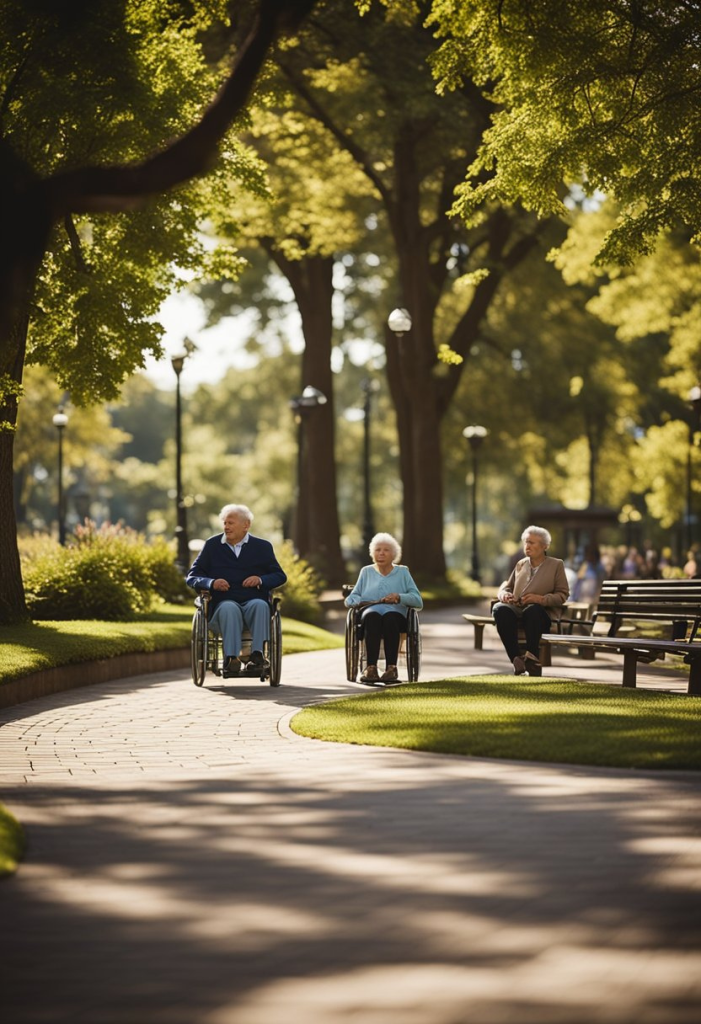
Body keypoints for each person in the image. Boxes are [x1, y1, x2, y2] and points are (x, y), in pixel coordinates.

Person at [186, 504, 287, 677]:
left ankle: (257, 656)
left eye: (231, 523)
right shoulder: (212, 545)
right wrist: (212, 583)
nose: (226, 527)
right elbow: (192, 577)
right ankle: (230, 659)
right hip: (221, 608)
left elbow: (280, 576)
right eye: (225, 523)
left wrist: (261, 580)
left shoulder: (262, 547)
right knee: (229, 607)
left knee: (260, 605)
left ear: (246, 525)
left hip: (252, 605)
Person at [345, 532, 423, 684]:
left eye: (386, 550)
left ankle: (391, 668)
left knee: (390, 618)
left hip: (396, 616)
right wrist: (356, 600)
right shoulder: (366, 571)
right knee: (372, 616)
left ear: (394, 554)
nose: (381, 553)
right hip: (370, 613)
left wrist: (400, 597)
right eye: (378, 549)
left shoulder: (403, 572)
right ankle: (371, 668)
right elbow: (352, 598)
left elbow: (418, 601)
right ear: (372, 553)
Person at [493, 525, 569, 676]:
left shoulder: (556, 565)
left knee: (532, 610)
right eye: (526, 542)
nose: (527, 546)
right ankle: (516, 659)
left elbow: (562, 595)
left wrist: (540, 599)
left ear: (544, 546)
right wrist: (504, 595)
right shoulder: (521, 564)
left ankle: (532, 658)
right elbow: (507, 588)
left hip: (542, 614)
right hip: (517, 611)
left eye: (532, 543)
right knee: (499, 609)